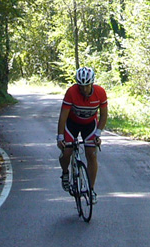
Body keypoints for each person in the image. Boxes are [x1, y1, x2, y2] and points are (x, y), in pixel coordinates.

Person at [57, 66, 108, 204]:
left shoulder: (100, 92)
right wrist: (60, 137)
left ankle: (91, 190)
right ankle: (65, 173)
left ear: (92, 83)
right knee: (66, 151)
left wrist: (98, 134)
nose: (84, 89)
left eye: (87, 86)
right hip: (72, 123)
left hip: (90, 125)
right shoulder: (72, 92)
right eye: (81, 86)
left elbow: (104, 115)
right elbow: (63, 116)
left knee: (91, 154)